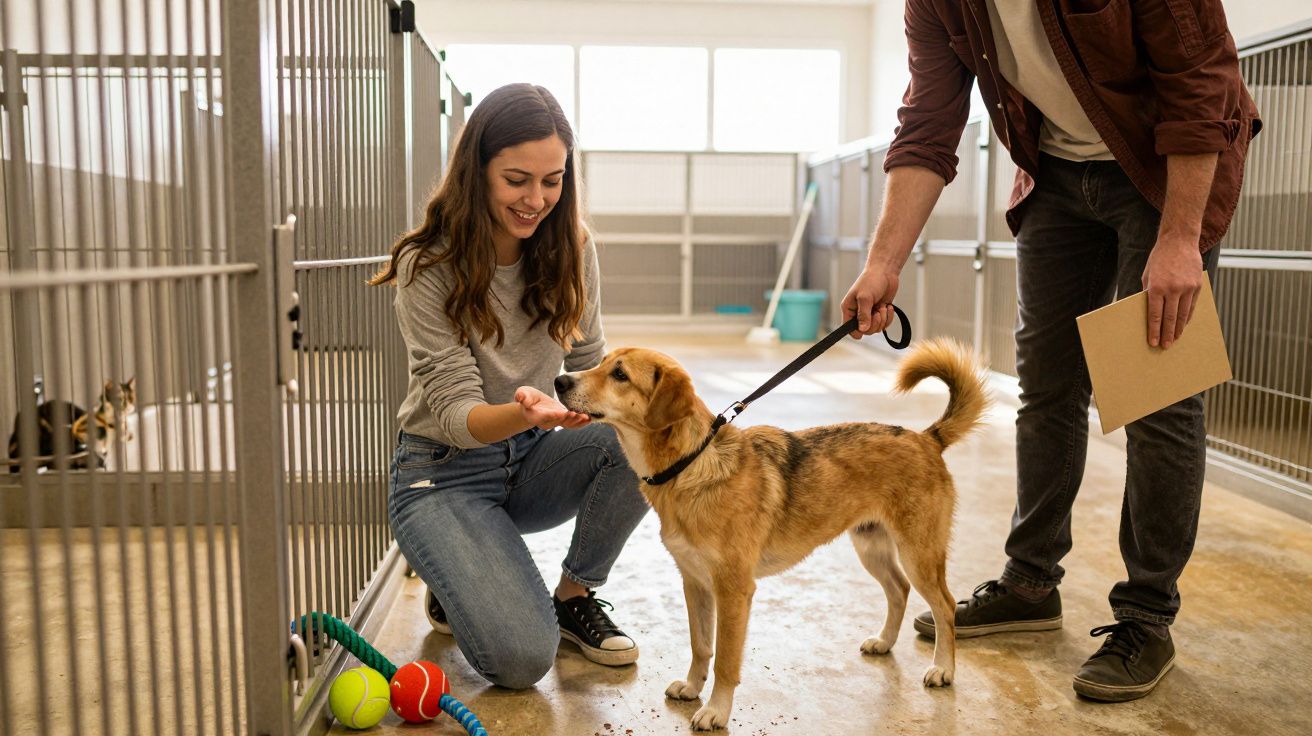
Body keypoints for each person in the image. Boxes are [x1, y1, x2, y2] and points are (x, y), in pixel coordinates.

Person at [842, 0, 1259, 702]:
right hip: (1056, 176)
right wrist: (884, 260)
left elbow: (1199, 83)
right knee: (1046, 389)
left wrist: (1181, 237)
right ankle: (1030, 583)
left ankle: (1146, 616)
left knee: (1154, 390)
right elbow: (927, 124)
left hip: (1163, 169)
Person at [371, 83, 649, 689]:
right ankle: (455, 572)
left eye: (552, 181)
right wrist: (528, 414)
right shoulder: (427, 264)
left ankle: (574, 597)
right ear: (478, 171)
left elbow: (590, 360)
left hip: (533, 458)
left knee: (637, 436)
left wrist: (591, 409)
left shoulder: (573, 245)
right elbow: (454, 412)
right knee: (522, 661)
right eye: (517, 179)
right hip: (443, 472)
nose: (537, 199)